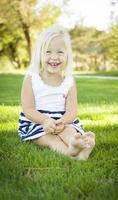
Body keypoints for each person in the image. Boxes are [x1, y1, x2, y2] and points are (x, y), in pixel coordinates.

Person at [18, 25, 95, 160]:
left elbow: (72, 110)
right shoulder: (31, 79)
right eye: (48, 52)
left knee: (70, 132)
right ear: (39, 54)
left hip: (63, 121)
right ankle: (72, 155)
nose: (54, 57)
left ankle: (76, 144)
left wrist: (63, 122)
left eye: (60, 52)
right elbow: (28, 109)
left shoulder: (69, 82)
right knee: (50, 139)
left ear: (67, 55)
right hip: (37, 122)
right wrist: (46, 121)